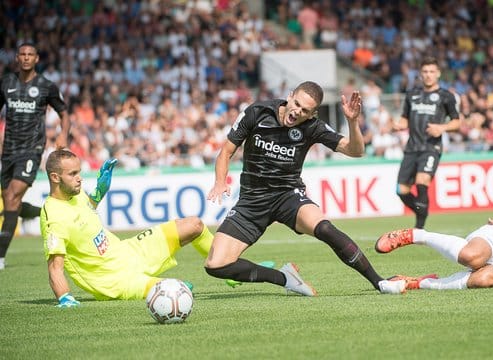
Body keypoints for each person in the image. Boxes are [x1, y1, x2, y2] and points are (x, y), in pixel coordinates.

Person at [205, 81, 405, 296]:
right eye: (297, 104)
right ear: (290, 96)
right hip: (252, 201)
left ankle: (380, 282)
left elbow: (355, 151)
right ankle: (285, 278)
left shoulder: (312, 126)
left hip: (288, 196)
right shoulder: (257, 112)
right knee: (216, 265)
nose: (297, 112)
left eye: (305, 110)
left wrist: (352, 122)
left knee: (325, 228)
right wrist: (220, 181)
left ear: (312, 114)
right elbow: (226, 151)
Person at [41, 149, 214, 307]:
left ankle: (222, 264)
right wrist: (65, 297)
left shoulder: (76, 195)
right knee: (179, 290)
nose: (79, 178)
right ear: (55, 177)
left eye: (79, 172)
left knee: (194, 225)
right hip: (116, 281)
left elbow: (88, 209)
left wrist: (100, 191)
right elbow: (55, 268)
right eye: (72, 174)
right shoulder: (54, 217)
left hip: (129, 251)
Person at [0, 43, 71, 270]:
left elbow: (64, 113)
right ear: (17, 58)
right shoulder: (7, 82)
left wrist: (63, 136)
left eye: (30, 54)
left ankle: (0, 256)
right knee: (11, 201)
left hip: (31, 149)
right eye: (22, 54)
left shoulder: (45, 86)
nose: (26, 58)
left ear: (37, 59)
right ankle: (41, 213)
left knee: (12, 195)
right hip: (8, 150)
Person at [392, 57, 460, 229]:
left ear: (438, 74)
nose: (428, 75)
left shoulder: (446, 96)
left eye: (431, 71)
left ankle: (419, 228)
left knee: (422, 182)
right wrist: (398, 125)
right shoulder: (412, 94)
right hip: (411, 147)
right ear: (420, 74)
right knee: (401, 190)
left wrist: (442, 128)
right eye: (425, 72)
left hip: (431, 147)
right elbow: (405, 119)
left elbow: (457, 122)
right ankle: (422, 210)